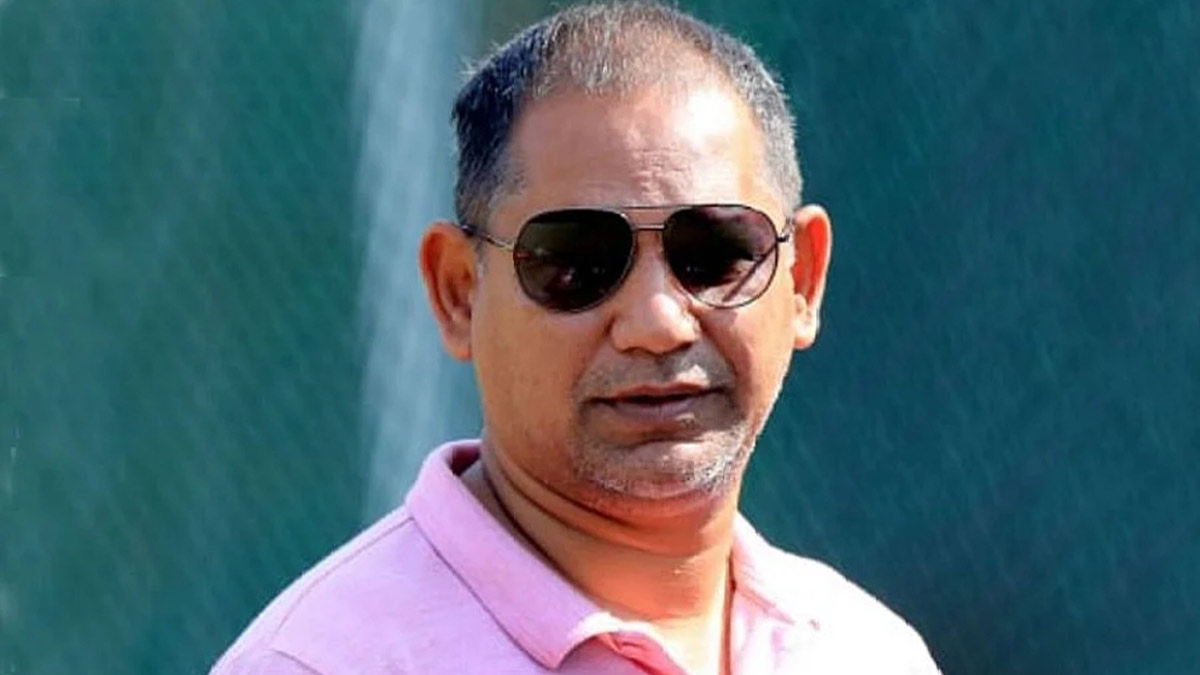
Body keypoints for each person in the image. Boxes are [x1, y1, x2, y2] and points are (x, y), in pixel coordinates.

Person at [210, 2, 940, 673]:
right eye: (575, 263)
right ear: (459, 293)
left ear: (802, 280)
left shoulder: (862, 650)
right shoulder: (318, 664)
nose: (658, 323)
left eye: (715, 253)